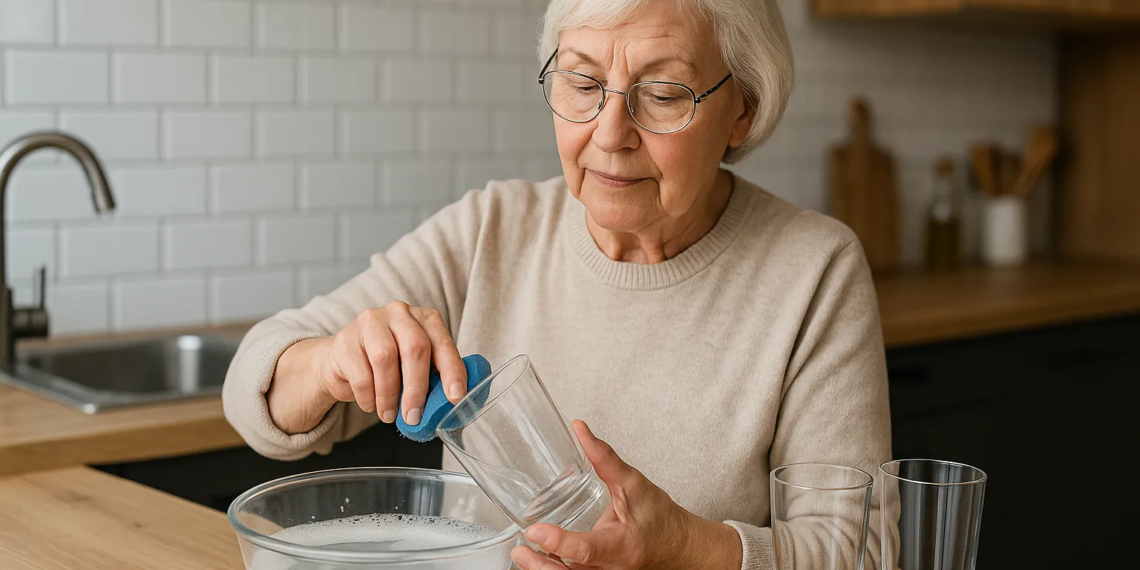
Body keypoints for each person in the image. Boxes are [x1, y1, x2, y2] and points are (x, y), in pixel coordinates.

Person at [223, 0, 892, 568]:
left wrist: (688, 547)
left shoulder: (813, 270)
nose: (608, 133)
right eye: (580, 83)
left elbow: (864, 549)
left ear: (741, 109)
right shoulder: (491, 229)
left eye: (661, 95)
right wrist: (333, 360)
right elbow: (256, 388)